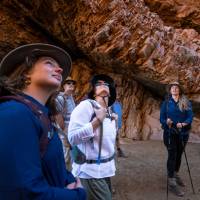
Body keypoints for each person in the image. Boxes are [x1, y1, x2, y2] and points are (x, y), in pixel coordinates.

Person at [0, 43, 86, 200]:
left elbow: (53, 166)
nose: (59, 69)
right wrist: (76, 195)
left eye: (59, 66)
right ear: (26, 73)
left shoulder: (41, 115)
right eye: (49, 63)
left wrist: (69, 180)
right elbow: (25, 192)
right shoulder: (14, 114)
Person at [68, 74, 117, 200]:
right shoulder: (86, 106)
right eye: (99, 84)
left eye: (106, 84)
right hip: (90, 172)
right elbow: (72, 138)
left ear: (111, 92)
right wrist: (97, 121)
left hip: (105, 171)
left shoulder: (110, 111)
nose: (103, 85)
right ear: (93, 92)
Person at [160, 81, 193, 197]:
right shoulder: (166, 103)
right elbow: (162, 118)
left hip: (183, 133)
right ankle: (171, 181)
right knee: (172, 154)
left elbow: (190, 116)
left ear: (179, 90)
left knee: (179, 155)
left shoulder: (185, 102)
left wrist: (184, 124)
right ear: (170, 90)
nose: (174, 89)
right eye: (172, 87)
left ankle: (175, 173)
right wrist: (166, 122)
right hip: (170, 133)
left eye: (176, 87)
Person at [56, 76, 76, 169]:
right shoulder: (60, 98)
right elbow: (59, 118)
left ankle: (72, 177)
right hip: (65, 132)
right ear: (63, 86)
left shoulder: (71, 97)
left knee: (72, 156)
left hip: (72, 130)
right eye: (68, 83)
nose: (71, 84)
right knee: (65, 157)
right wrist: (65, 134)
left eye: (73, 83)